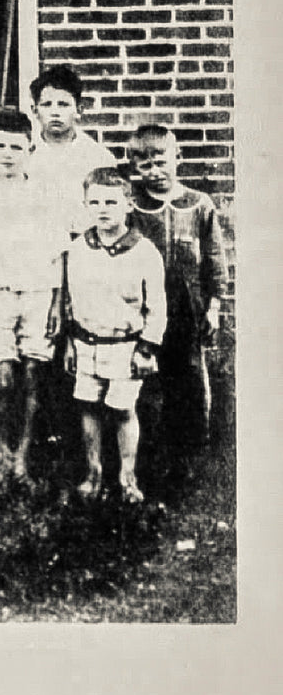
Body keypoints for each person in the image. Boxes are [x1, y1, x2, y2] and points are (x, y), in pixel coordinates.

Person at [0, 109, 67, 487]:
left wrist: (57, 302)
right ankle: (2, 454)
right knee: (2, 377)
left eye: (16, 147)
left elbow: (59, 252)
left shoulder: (46, 194)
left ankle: (22, 457)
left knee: (34, 374)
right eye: (0, 145)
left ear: (31, 149)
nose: (7, 153)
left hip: (37, 293)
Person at [125, 124, 228, 477]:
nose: (154, 172)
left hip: (188, 308)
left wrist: (214, 308)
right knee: (149, 381)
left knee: (190, 378)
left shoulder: (199, 205)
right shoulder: (134, 207)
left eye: (160, 162)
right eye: (144, 165)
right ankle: (150, 454)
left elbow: (215, 261)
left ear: (178, 158)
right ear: (134, 169)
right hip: (147, 310)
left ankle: (191, 457)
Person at [61, 167, 167, 502]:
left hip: (126, 346)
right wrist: (69, 342)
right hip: (86, 343)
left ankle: (127, 476)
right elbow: (69, 299)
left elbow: (157, 307)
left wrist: (146, 348)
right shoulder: (78, 249)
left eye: (111, 201)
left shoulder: (144, 252)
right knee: (88, 406)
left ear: (128, 204)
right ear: (85, 205)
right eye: (94, 202)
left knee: (123, 409)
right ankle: (93, 474)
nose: (102, 209)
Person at [28, 65, 117, 237]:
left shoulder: (99, 158)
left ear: (79, 109)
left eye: (63, 105)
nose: (55, 112)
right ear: (35, 110)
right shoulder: (25, 155)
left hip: (87, 244)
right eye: (47, 105)